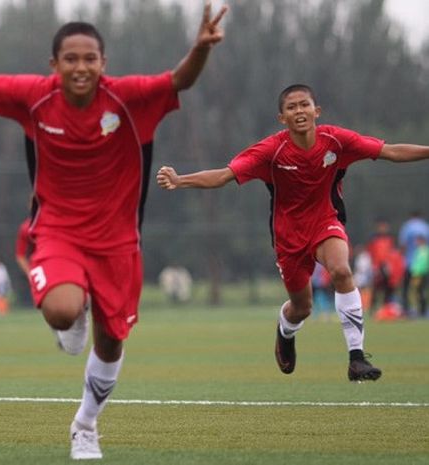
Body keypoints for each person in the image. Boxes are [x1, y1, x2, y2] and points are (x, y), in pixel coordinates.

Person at [0, 2, 228, 459]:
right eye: (70, 58)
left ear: (103, 64)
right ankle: (73, 312)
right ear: (53, 65)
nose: (80, 67)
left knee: (111, 342)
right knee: (60, 309)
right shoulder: (34, 96)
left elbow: (179, 81)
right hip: (58, 230)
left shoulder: (127, 99)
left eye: (90, 58)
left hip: (118, 239)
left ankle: (85, 425)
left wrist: (199, 49)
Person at [157, 83, 429, 382]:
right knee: (302, 307)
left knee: (341, 270)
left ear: (317, 111)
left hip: (326, 221)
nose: (299, 111)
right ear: (282, 118)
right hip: (288, 237)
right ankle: (285, 331)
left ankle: (357, 358)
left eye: (304, 105)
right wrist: (180, 180)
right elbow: (223, 175)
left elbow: (390, 151)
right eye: (291, 107)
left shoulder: (336, 141)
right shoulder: (270, 151)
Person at [398, 211, 429, 316]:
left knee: (407, 289)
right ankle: (423, 310)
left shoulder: (407, 226)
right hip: (423, 265)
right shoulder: (425, 227)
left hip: (410, 263)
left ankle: (407, 309)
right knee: (421, 289)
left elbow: (403, 244)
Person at [408, 235, 429, 318]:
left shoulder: (426, 250)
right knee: (415, 292)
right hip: (416, 274)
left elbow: (422, 263)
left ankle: (422, 309)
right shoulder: (418, 250)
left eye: (417, 241)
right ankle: (418, 309)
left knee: (420, 292)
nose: (416, 243)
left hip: (421, 274)